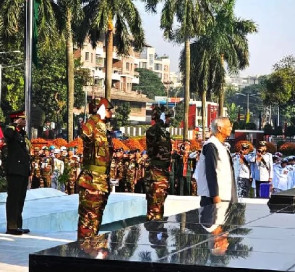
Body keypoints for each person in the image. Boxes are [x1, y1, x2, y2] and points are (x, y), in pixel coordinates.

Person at [77, 97, 114, 239]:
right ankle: (83, 248)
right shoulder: (92, 125)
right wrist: (96, 114)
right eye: (108, 109)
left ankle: (90, 246)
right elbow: (84, 132)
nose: (110, 112)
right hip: (91, 180)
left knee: (96, 217)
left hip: (102, 180)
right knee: (87, 218)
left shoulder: (104, 130)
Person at [196, 117, 237, 207]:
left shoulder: (222, 146)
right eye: (229, 126)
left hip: (225, 196)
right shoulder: (211, 146)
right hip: (213, 199)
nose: (231, 128)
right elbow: (211, 172)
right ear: (219, 128)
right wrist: (215, 196)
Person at [4, 110, 31, 235]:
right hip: (14, 170)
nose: (25, 121)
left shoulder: (22, 134)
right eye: (22, 119)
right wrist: (14, 125)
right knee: (13, 199)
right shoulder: (11, 131)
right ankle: (11, 226)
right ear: (16, 119)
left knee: (20, 199)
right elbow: (7, 135)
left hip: (23, 171)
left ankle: (18, 225)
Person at [145, 105, 173, 221]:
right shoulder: (153, 131)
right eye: (167, 117)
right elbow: (153, 135)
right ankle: (154, 233)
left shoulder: (163, 132)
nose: (169, 120)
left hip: (162, 172)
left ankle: (157, 232)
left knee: (159, 204)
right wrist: (160, 121)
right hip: (156, 173)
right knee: (154, 206)